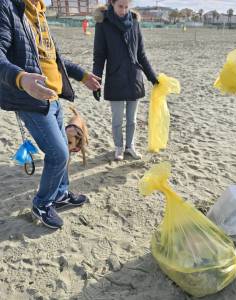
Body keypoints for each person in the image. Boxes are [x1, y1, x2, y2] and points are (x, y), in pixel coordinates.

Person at [0, 0, 101, 229]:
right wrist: (21, 78)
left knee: (63, 150)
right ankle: (42, 204)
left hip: (53, 96)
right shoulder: (8, 6)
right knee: (58, 154)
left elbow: (53, 58)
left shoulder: (40, 12)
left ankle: (61, 194)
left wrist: (82, 75)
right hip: (31, 99)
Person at [93, 0, 158, 161]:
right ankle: (119, 148)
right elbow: (99, 57)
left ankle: (130, 147)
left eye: (126, 6)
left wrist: (152, 77)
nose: (123, 10)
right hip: (115, 78)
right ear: (112, 4)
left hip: (134, 78)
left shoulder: (135, 22)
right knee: (117, 119)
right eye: (120, 6)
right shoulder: (103, 24)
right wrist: (96, 81)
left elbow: (141, 54)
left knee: (132, 119)